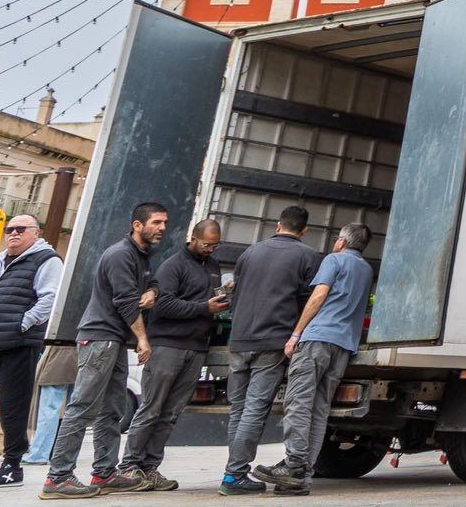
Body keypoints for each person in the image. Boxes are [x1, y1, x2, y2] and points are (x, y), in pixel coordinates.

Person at [41, 202, 165, 499]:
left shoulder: (141, 256)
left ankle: (105, 473)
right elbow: (125, 302)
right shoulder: (121, 255)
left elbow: (151, 284)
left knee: (112, 409)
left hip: (114, 340)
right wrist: (143, 340)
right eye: (157, 222)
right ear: (138, 225)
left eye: (164, 223)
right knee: (82, 407)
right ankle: (57, 478)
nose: (162, 228)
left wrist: (153, 292)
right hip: (100, 338)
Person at [250, 223, 376, 496]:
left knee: (297, 402)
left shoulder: (334, 260)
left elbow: (319, 295)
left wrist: (296, 333)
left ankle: (293, 464)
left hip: (318, 338)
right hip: (344, 345)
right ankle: (302, 476)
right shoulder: (366, 269)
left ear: (341, 241)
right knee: (320, 408)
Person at [108, 219, 227, 490]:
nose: (211, 249)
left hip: (196, 348)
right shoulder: (174, 265)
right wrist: (203, 308)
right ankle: (129, 467)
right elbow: (162, 305)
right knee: (151, 408)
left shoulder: (213, 266)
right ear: (192, 239)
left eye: (215, 245)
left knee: (171, 412)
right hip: (167, 345)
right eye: (207, 244)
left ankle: (150, 468)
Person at [222, 206, 318, 496]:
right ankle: (233, 475)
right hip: (272, 341)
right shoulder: (308, 256)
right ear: (304, 231)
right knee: (253, 409)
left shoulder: (249, 253)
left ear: (278, 225)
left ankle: (233, 475)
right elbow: (309, 301)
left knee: (238, 409)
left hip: (239, 340)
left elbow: (235, 291)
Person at [0, 213, 62, 488]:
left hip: (15, 346)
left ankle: (11, 468)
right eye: (9, 229)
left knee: (12, 410)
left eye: (20, 229)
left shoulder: (46, 260)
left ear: (35, 233)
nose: (13, 233)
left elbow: (49, 299)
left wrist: (22, 324)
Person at [24, 345, 79, 469]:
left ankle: (39, 454)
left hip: (59, 356)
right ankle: (63, 454)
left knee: (49, 408)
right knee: (73, 410)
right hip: (81, 356)